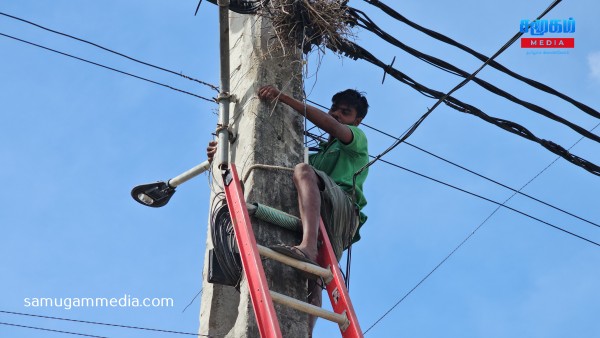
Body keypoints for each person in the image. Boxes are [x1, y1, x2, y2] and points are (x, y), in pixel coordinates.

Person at [207, 85, 369, 335]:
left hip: (343, 211)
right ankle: (305, 333)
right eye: (333, 109)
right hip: (324, 217)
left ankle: (307, 246)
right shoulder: (318, 156)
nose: (336, 114)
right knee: (313, 280)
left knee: (303, 171)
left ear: (357, 120)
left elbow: (333, 128)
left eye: (344, 112)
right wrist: (220, 155)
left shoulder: (356, 140)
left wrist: (284, 98)